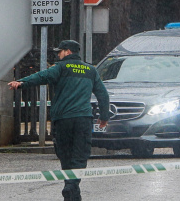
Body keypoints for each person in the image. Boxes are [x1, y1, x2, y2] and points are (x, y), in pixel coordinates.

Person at [8, 40, 110, 201]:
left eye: (60, 51)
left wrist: (22, 83)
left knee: (65, 154)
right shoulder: (91, 70)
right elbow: (103, 94)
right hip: (84, 119)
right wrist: (104, 117)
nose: (58, 54)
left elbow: (42, 76)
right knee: (80, 155)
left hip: (64, 119)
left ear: (68, 52)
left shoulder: (61, 68)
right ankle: (72, 187)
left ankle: (70, 187)